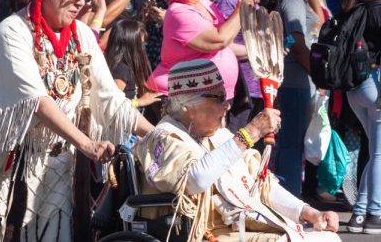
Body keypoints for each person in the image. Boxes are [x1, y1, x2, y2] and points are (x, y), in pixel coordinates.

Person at [0, 0, 153, 240]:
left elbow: (111, 99)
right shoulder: (11, 33)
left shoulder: (82, 36)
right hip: (13, 169)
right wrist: (87, 143)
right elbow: (36, 100)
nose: (80, 4)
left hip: (63, 167)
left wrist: (158, 135)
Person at [136, 59, 341, 242]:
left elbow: (261, 186)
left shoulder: (218, 135)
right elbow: (195, 180)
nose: (227, 105)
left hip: (238, 225)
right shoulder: (164, 136)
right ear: (189, 105)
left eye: (226, 97)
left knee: (327, 238)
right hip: (205, 233)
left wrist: (309, 212)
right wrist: (250, 133)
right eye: (218, 98)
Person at [146, 0, 252, 124]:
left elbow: (227, 37)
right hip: (184, 98)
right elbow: (219, 40)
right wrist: (241, 9)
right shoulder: (178, 13)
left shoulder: (202, 1)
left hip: (206, 94)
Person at [261, 0, 319, 197]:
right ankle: (291, 203)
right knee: (291, 147)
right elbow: (296, 42)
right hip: (295, 81)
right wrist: (317, 72)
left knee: (287, 147)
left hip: (289, 81)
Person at [341, 0, 381, 234]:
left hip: (355, 88)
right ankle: (374, 214)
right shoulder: (379, 11)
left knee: (375, 153)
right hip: (375, 86)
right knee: (379, 154)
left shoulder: (353, 9)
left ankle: (359, 215)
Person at [211, 0, 270, 134]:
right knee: (239, 137)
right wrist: (258, 52)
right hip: (240, 86)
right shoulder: (227, 2)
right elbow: (223, 44)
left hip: (256, 82)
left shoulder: (249, 2)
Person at [105, 18, 162, 108]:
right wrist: (140, 102)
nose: (144, 48)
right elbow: (111, 104)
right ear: (131, 45)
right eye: (142, 44)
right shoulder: (121, 69)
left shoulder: (122, 66)